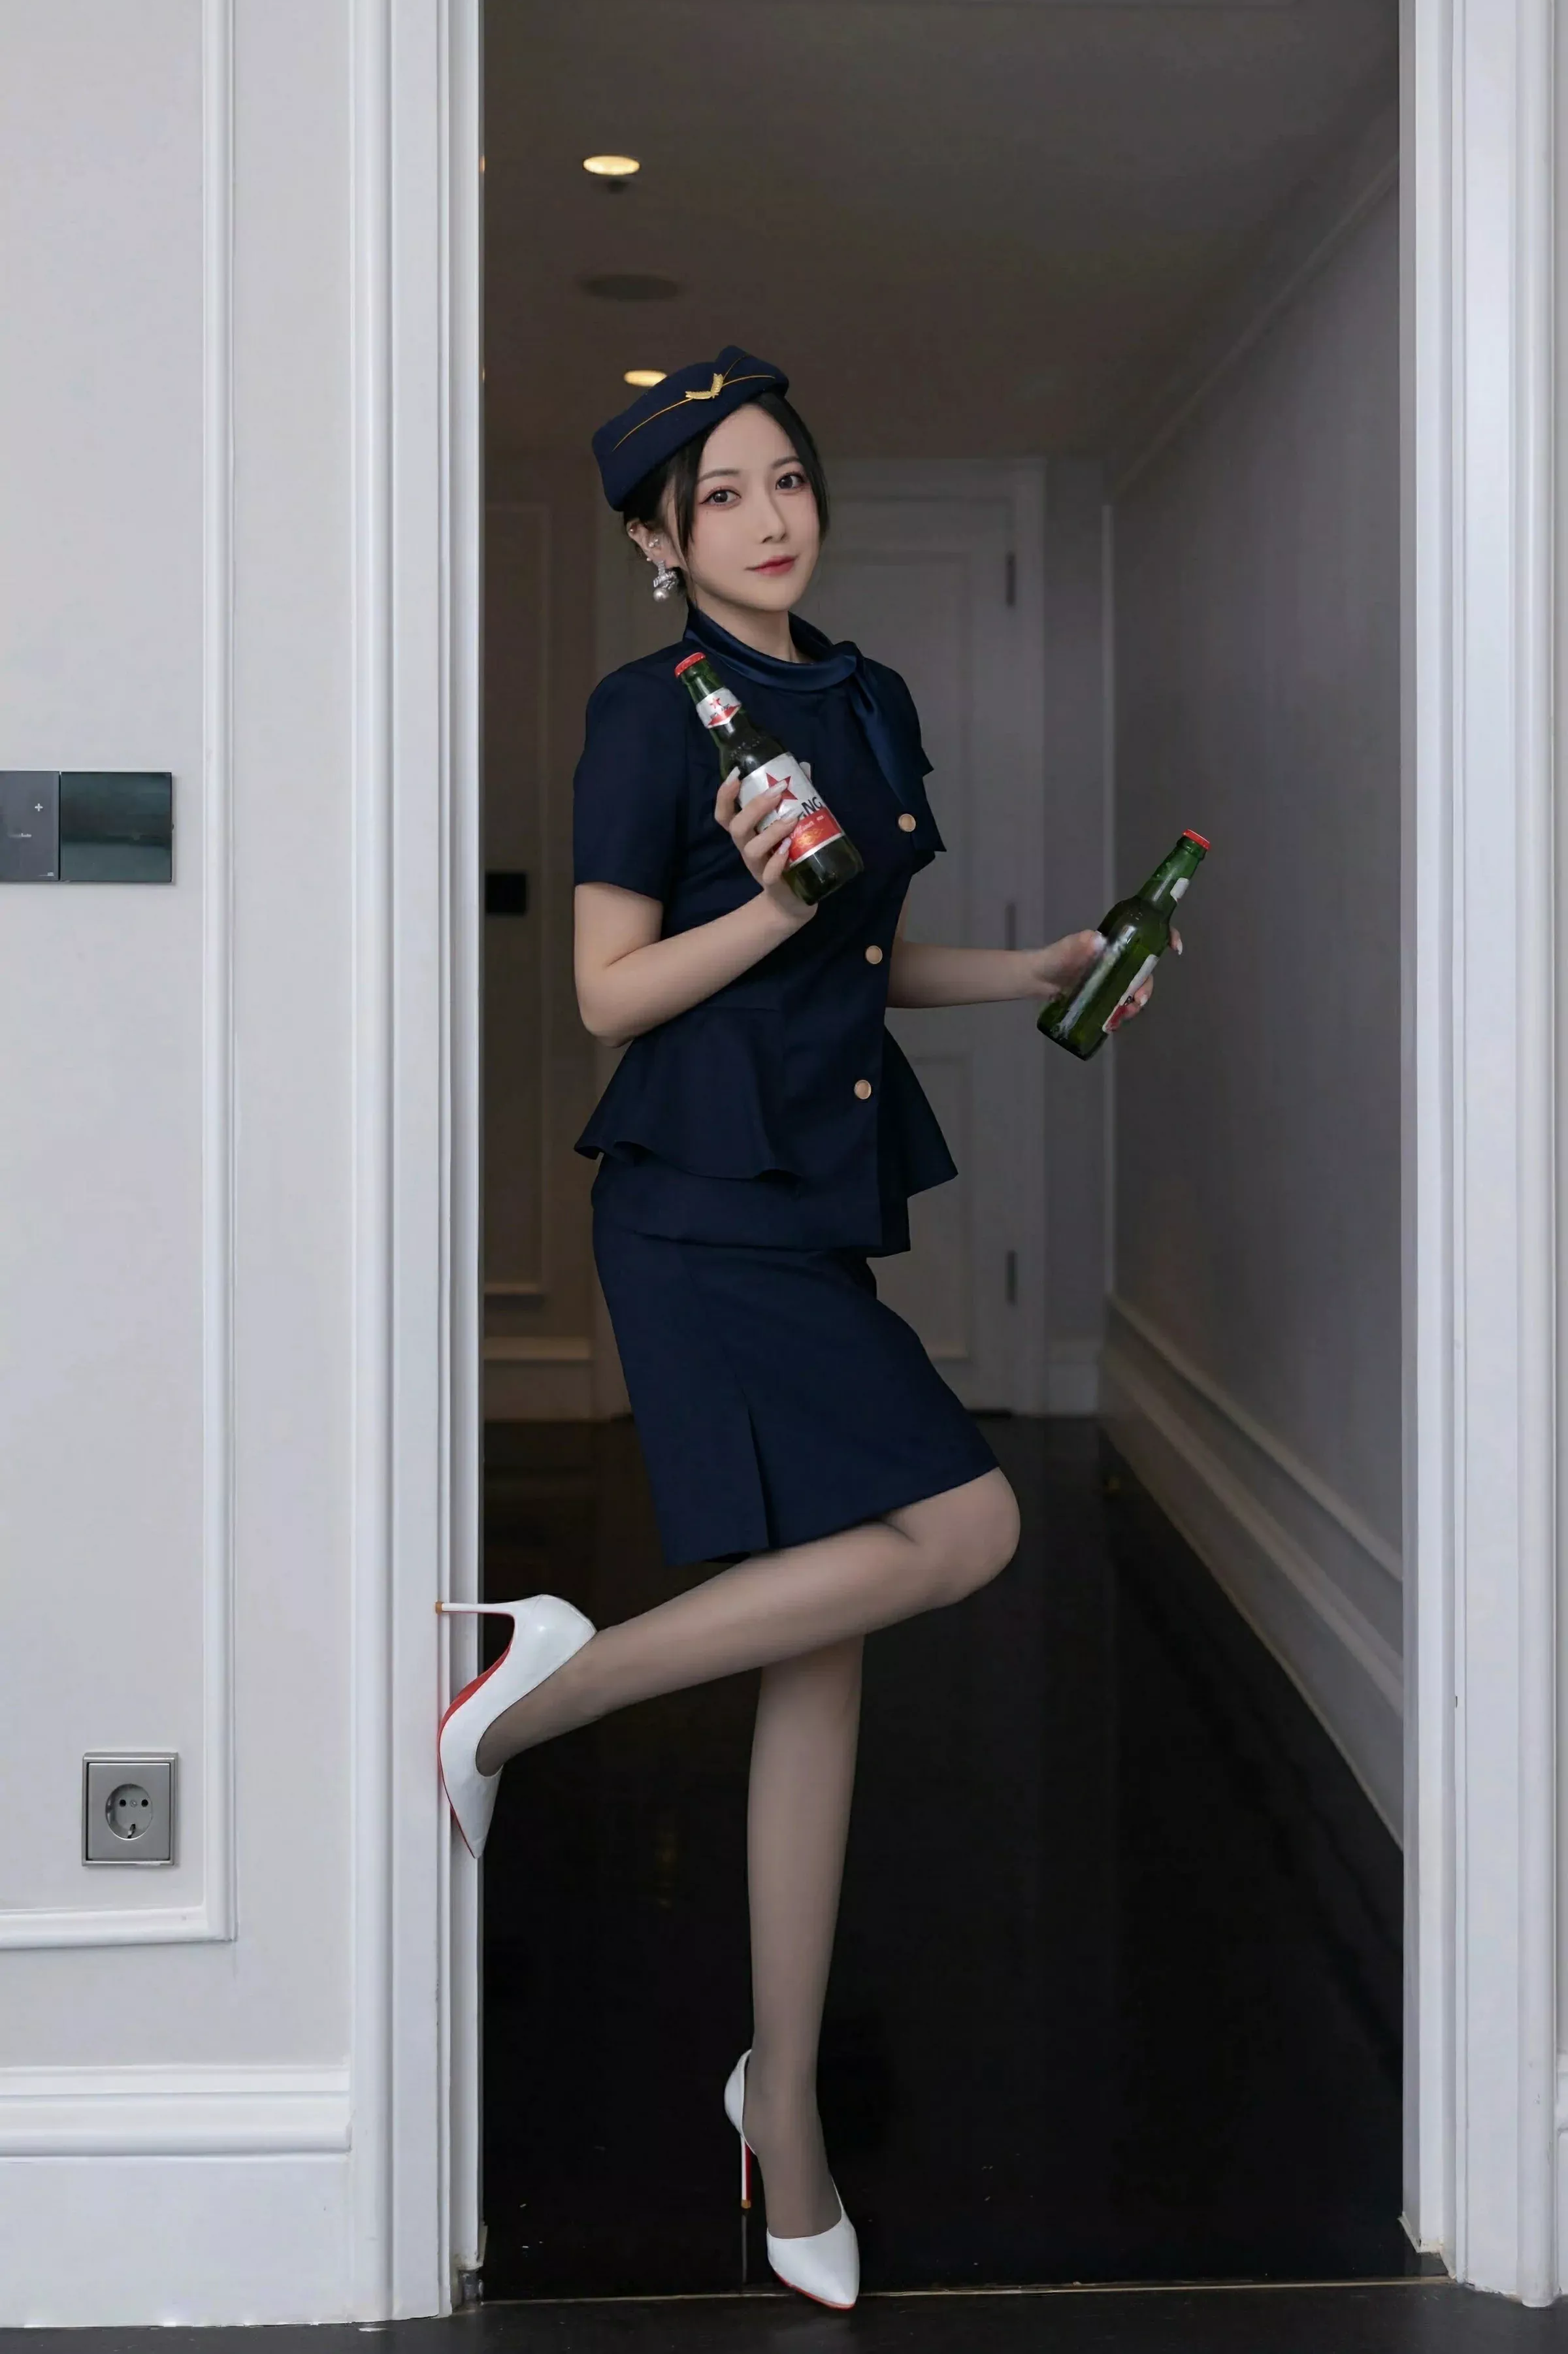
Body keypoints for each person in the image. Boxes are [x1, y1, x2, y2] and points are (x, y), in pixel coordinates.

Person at [436, 346, 1177, 2311]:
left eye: (788, 479)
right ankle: (537, 1695)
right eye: (725, 495)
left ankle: (784, 2110)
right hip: (694, 1212)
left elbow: (862, 946)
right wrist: (772, 906)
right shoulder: (645, 713)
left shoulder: (866, 697)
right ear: (658, 539)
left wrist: (1031, 967)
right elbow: (607, 991)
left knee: (822, 1654)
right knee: (972, 1523)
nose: (772, 517)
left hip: (810, 1204)